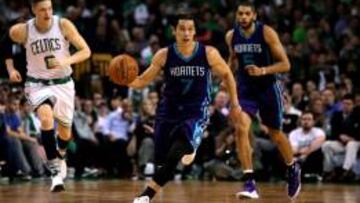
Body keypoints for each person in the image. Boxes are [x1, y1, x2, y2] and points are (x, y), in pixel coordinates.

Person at [130, 12, 243, 203]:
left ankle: (146, 196)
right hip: (169, 110)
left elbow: (227, 75)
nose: (186, 32)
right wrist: (126, 79)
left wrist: (235, 103)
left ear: (195, 32)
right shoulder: (164, 55)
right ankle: (189, 149)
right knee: (163, 158)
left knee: (175, 155)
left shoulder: (208, 53)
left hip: (196, 111)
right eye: (182, 28)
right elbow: (142, 80)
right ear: (174, 31)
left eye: (190, 29)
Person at [3, 0, 91, 192]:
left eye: (50, 8)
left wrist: (66, 60)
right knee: (45, 118)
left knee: (65, 132)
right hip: (37, 84)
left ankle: (61, 154)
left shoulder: (63, 25)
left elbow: (86, 51)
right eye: (42, 9)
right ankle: (54, 171)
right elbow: (5, 41)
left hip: (63, 84)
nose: (47, 13)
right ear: (33, 10)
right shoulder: (24, 30)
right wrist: (10, 69)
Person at [225, 2, 301, 199]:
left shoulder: (267, 33)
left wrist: (263, 70)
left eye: (247, 14)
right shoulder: (231, 36)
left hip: (268, 87)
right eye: (240, 13)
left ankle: (292, 167)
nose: (243, 17)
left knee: (275, 133)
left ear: (254, 15)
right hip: (246, 89)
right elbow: (232, 60)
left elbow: (286, 64)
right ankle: (250, 182)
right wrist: (225, 77)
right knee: (241, 128)